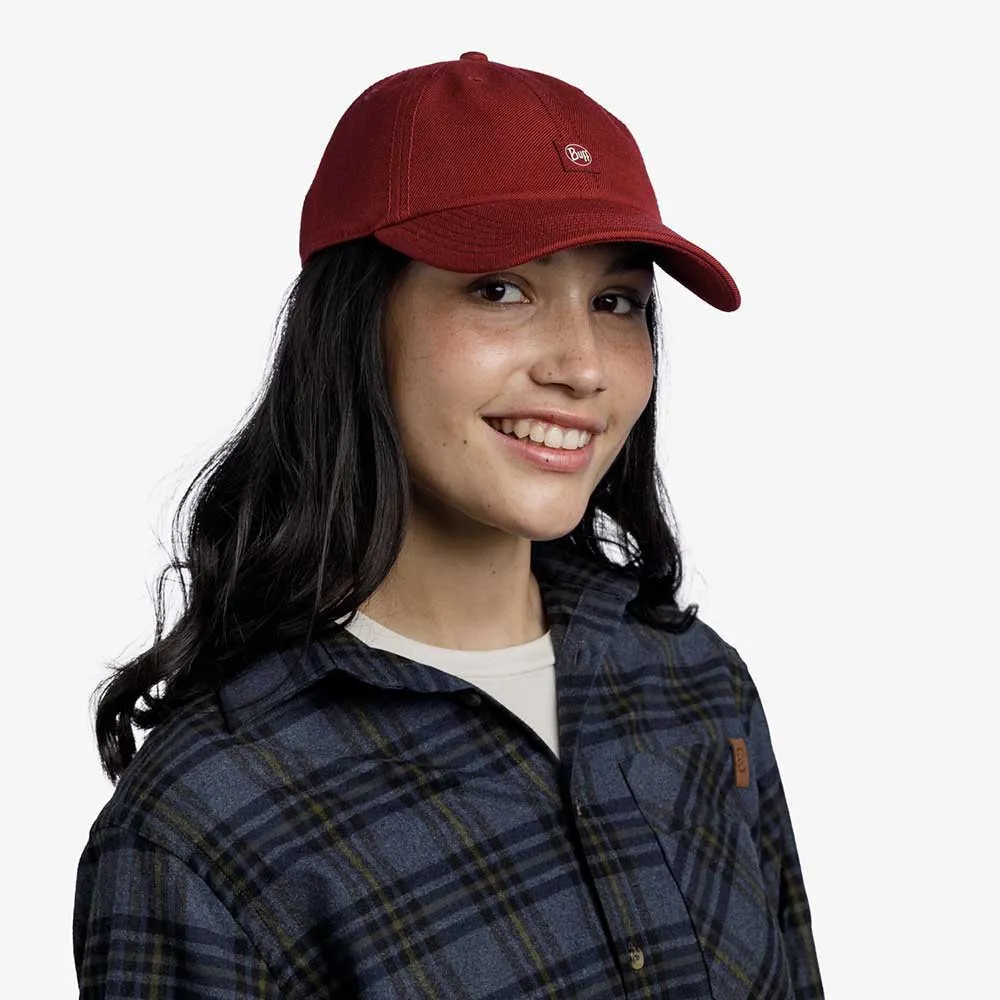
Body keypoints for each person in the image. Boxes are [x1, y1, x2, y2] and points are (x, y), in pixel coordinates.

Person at [73, 52, 824, 999]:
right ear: (354, 324)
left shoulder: (694, 686)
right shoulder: (206, 821)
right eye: (500, 289)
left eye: (617, 302)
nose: (584, 366)